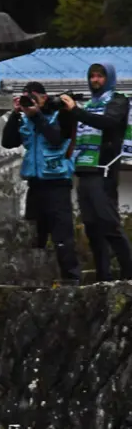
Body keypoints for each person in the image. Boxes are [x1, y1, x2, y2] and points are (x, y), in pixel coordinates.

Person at [1, 82, 81, 283]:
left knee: (62, 236)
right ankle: (33, 279)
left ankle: (71, 280)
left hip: (57, 184)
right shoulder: (26, 119)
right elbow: (8, 142)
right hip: (35, 185)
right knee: (34, 236)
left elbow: (55, 138)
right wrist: (15, 114)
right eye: (26, 97)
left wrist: (37, 115)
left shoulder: (60, 113)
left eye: (34, 97)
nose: (31, 101)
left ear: (44, 97)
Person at [61, 62, 132, 281]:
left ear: (109, 78)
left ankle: (129, 275)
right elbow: (65, 131)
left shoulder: (118, 100)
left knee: (109, 224)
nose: (95, 80)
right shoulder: (88, 104)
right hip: (84, 169)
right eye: (92, 76)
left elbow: (107, 122)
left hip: (104, 169)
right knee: (92, 227)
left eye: (100, 76)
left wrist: (76, 110)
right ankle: (103, 278)